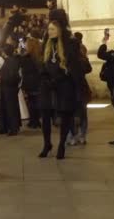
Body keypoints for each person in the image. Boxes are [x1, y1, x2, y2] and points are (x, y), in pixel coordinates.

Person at [38, 20, 84, 160]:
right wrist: (45, 78)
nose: (49, 31)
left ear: (59, 30)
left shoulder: (70, 45)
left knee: (65, 117)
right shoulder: (46, 45)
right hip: (47, 86)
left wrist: (57, 79)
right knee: (45, 116)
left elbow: (72, 67)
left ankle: (61, 145)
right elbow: (42, 64)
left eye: (52, 29)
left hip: (64, 86)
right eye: (49, 29)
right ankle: (47, 144)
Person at [0, 45, 21, 136]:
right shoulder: (8, 61)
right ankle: (4, 127)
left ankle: (13, 128)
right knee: (3, 107)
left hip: (10, 88)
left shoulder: (13, 61)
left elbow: (13, 76)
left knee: (11, 108)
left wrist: (1, 78)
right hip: (4, 87)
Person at [20, 37, 42, 129]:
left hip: (30, 82)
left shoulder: (26, 57)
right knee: (36, 102)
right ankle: (36, 120)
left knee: (31, 102)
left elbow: (24, 70)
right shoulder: (40, 57)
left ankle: (33, 121)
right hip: (38, 82)